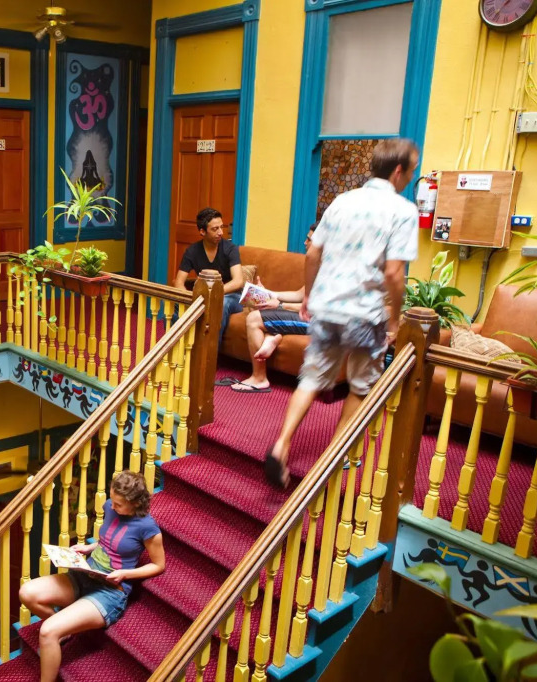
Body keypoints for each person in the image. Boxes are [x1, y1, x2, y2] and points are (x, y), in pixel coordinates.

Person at [264, 138, 420, 488]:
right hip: (365, 313)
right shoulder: (403, 210)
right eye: (411, 170)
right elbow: (394, 273)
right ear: (398, 171)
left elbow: (312, 255)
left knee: (311, 379)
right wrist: (395, 318)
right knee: (361, 387)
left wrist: (309, 296)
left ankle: (281, 444)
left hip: (327, 307)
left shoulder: (342, 201)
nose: (411, 177)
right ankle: (330, 462)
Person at [18, 471, 165, 682]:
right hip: (86, 575)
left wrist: (125, 573)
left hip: (109, 591)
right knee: (27, 592)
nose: (112, 506)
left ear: (135, 503)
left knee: (47, 631)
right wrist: (89, 548)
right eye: (112, 500)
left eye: (118, 504)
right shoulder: (110, 507)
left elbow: (158, 565)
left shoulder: (148, 527)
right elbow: (108, 541)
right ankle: (65, 631)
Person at [229, 225, 317, 393]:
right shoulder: (318, 265)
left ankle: (259, 378)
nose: (305, 242)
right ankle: (272, 337)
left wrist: (280, 305)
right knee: (261, 309)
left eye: (309, 239)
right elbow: (299, 295)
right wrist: (268, 293)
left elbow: (315, 309)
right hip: (307, 315)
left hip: (318, 321)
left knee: (254, 319)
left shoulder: (329, 271)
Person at [173, 208, 245, 342]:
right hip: (203, 295)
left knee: (222, 303)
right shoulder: (192, 251)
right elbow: (179, 282)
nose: (220, 232)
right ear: (202, 231)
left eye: (221, 227)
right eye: (215, 229)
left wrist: (213, 293)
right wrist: (190, 298)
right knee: (177, 304)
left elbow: (238, 281)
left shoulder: (230, 249)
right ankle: (179, 348)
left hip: (231, 296)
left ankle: (211, 352)